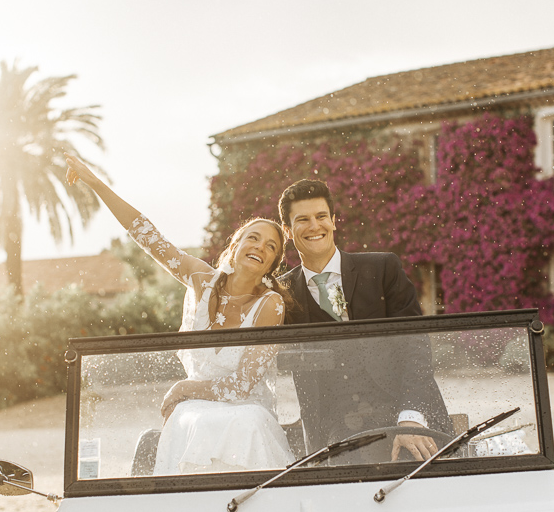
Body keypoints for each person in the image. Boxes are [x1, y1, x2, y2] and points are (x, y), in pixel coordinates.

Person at [65, 155, 294, 474]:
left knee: (246, 423)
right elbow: (146, 236)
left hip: (246, 416)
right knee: (185, 421)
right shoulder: (200, 280)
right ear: (235, 244)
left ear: (272, 263)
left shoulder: (270, 305)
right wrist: (95, 183)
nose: (260, 247)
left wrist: (183, 388)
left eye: (271, 246)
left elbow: (240, 386)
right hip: (195, 413)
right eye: (253, 237)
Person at [278, 178, 452, 461]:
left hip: (405, 415)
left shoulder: (383, 268)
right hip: (338, 434)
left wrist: (410, 417)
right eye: (303, 219)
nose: (314, 226)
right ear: (287, 230)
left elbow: (415, 346)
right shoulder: (281, 294)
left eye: (322, 216)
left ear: (334, 221)